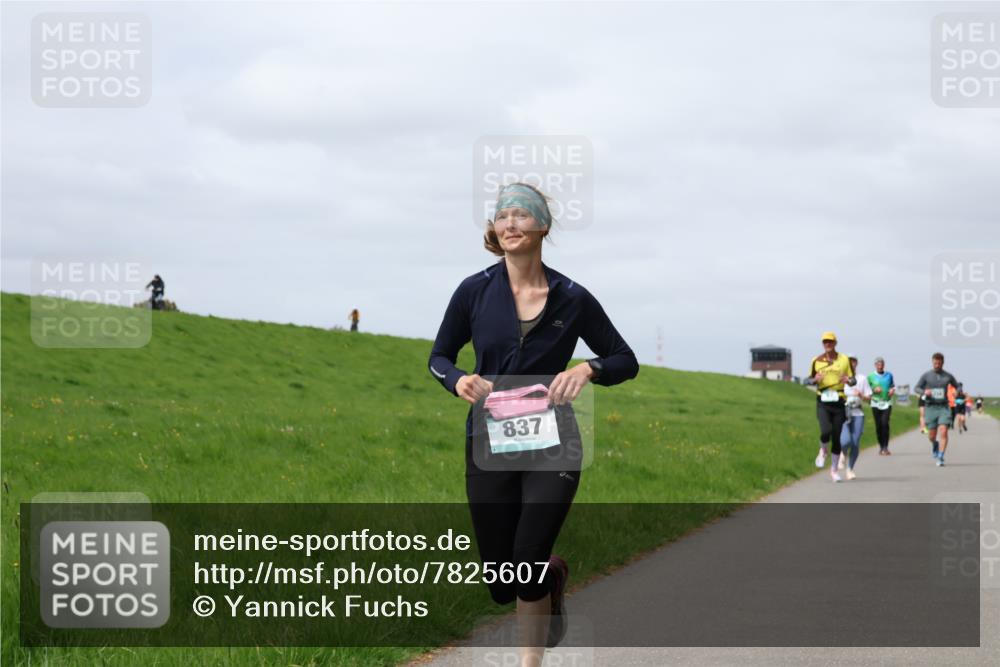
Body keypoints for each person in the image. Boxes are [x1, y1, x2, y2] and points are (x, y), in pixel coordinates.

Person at [428, 182, 639, 660]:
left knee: (525, 563)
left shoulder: (572, 297)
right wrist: (457, 380)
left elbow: (625, 359)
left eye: (521, 215)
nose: (510, 223)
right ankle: (554, 575)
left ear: (543, 225)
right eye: (502, 216)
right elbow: (438, 357)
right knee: (503, 583)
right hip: (489, 441)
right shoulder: (474, 291)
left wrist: (589, 368)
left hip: (554, 444)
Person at [803, 332, 857, 482]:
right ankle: (823, 449)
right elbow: (807, 380)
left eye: (830, 342)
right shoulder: (816, 360)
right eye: (825, 342)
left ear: (835, 343)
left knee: (837, 436)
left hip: (839, 401)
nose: (827, 344)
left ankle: (834, 470)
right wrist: (815, 379)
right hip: (823, 401)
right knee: (825, 430)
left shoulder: (844, 359)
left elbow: (853, 380)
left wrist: (848, 380)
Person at [914, 352, 960, 467]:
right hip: (930, 407)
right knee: (932, 435)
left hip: (944, 407)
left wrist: (956, 391)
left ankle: (940, 456)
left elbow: (958, 386)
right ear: (932, 362)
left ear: (942, 363)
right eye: (935, 363)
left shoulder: (948, 376)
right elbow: (916, 388)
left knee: (944, 431)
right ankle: (935, 444)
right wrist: (925, 392)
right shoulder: (926, 375)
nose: (937, 365)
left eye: (939, 363)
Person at [839, 354, 871, 479]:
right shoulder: (841, 379)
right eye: (849, 362)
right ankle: (842, 452)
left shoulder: (862, 379)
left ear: (856, 363)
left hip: (858, 413)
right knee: (846, 440)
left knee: (855, 443)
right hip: (844, 412)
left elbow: (869, 397)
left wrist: (861, 395)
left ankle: (850, 469)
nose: (851, 364)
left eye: (853, 362)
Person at [867, 356, 896, 455]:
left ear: (884, 365)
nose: (880, 366)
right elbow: (867, 389)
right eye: (878, 364)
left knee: (885, 423)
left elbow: (892, 386)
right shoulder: (870, 376)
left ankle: (885, 447)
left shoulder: (889, 375)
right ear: (875, 365)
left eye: (881, 364)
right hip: (875, 402)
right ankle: (881, 446)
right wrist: (873, 390)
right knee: (878, 425)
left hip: (887, 402)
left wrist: (892, 390)